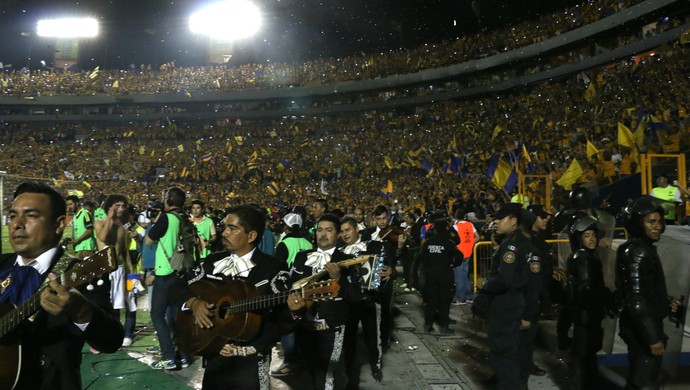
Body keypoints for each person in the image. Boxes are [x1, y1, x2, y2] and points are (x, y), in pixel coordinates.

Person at [0, 182, 123, 388]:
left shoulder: (81, 272)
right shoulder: (2, 263)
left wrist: (82, 312)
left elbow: (112, 340)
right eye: (13, 216)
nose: (17, 224)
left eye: (30, 215)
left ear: (59, 225)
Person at [171, 205, 285, 389]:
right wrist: (194, 303)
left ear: (251, 236)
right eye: (225, 227)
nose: (224, 233)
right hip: (214, 358)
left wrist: (252, 348)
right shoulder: (212, 261)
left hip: (251, 363)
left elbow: (283, 318)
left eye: (232, 228)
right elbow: (178, 286)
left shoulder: (272, 268)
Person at [277, 214, 361, 390]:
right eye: (320, 230)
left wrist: (339, 278)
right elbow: (291, 287)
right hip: (305, 327)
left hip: (332, 328)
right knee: (313, 375)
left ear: (337, 234)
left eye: (329, 230)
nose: (323, 234)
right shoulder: (302, 257)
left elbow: (355, 297)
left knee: (328, 378)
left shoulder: (348, 260)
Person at [616, 196, 682, 389]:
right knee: (644, 380)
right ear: (638, 224)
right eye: (651, 222)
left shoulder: (638, 248)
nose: (658, 226)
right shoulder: (638, 252)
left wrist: (665, 301)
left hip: (642, 325)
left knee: (641, 378)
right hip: (643, 330)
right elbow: (636, 300)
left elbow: (644, 290)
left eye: (659, 221)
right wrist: (652, 337)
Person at [479, 203, 529, 390]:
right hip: (511, 305)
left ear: (514, 221)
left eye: (501, 218)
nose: (496, 222)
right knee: (509, 357)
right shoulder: (515, 241)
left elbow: (505, 279)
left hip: (505, 306)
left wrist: (485, 287)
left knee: (504, 356)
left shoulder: (510, 246)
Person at [145, 187, 191, 369]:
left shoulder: (166, 218)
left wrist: (154, 273)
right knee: (175, 316)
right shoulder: (183, 217)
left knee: (157, 314)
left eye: (165, 198)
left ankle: (169, 356)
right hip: (180, 271)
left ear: (169, 200)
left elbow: (149, 240)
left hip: (165, 272)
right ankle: (184, 355)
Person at [340, 217, 388, 386]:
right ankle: (349, 369)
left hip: (369, 300)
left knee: (373, 337)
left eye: (348, 230)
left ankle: (376, 366)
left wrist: (390, 273)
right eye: (342, 231)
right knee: (349, 338)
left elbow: (386, 268)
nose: (345, 234)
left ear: (356, 230)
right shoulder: (339, 251)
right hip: (349, 303)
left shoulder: (373, 246)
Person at [566, 216, 611, 389]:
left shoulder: (581, 256)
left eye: (593, 234)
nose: (591, 238)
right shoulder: (584, 259)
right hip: (587, 314)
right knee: (585, 355)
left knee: (584, 353)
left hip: (583, 314)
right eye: (586, 235)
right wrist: (606, 298)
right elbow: (587, 289)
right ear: (579, 238)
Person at [271, 212, 313, 377]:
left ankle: (290, 361)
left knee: (288, 326)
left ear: (286, 227)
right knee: (303, 324)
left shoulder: (284, 244)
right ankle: (302, 356)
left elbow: (278, 267)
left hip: (290, 289)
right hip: (308, 288)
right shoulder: (307, 242)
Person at [417, 214, 463, 334]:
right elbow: (459, 256)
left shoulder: (429, 242)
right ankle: (444, 327)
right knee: (444, 301)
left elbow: (422, 257)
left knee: (431, 301)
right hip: (445, 274)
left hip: (431, 273)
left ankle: (428, 325)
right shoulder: (448, 243)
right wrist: (454, 264)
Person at [452, 209, 479, 305]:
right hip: (468, 252)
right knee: (464, 275)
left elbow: (453, 240)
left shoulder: (455, 227)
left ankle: (461, 298)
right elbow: (477, 237)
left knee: (459, 276)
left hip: (459, 253)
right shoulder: (470, 224)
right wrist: (471, 244)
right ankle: (469, 296)